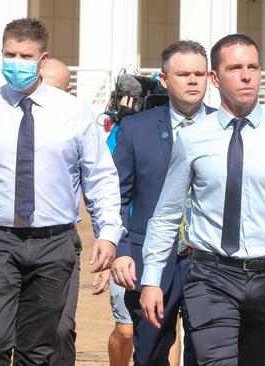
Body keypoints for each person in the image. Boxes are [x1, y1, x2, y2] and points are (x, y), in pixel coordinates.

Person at [0, 18, 122, 365]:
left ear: (43, 59)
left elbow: (100, 178)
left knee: (37, 352)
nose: (16, 62)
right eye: (10, 54)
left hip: (54, 244)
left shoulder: (74, 114)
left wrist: (108, 233)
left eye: (25, 56)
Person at [139, 34, 265, 366]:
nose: (247, 75)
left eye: (253, 67)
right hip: (212, 275)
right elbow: (167, 213)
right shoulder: (193, 138)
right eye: (236, 67)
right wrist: (151, 277)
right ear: (215, 78)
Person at [110, 40, 215, 366]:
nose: (193, 80)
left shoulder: (227, 128)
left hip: (211, 265)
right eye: (184, 74)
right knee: (151, 356)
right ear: (164, 78)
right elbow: (116, 198)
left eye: (199, 73)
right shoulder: (135, 129)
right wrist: (123, 251)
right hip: (147, 261)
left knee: (209, 355)